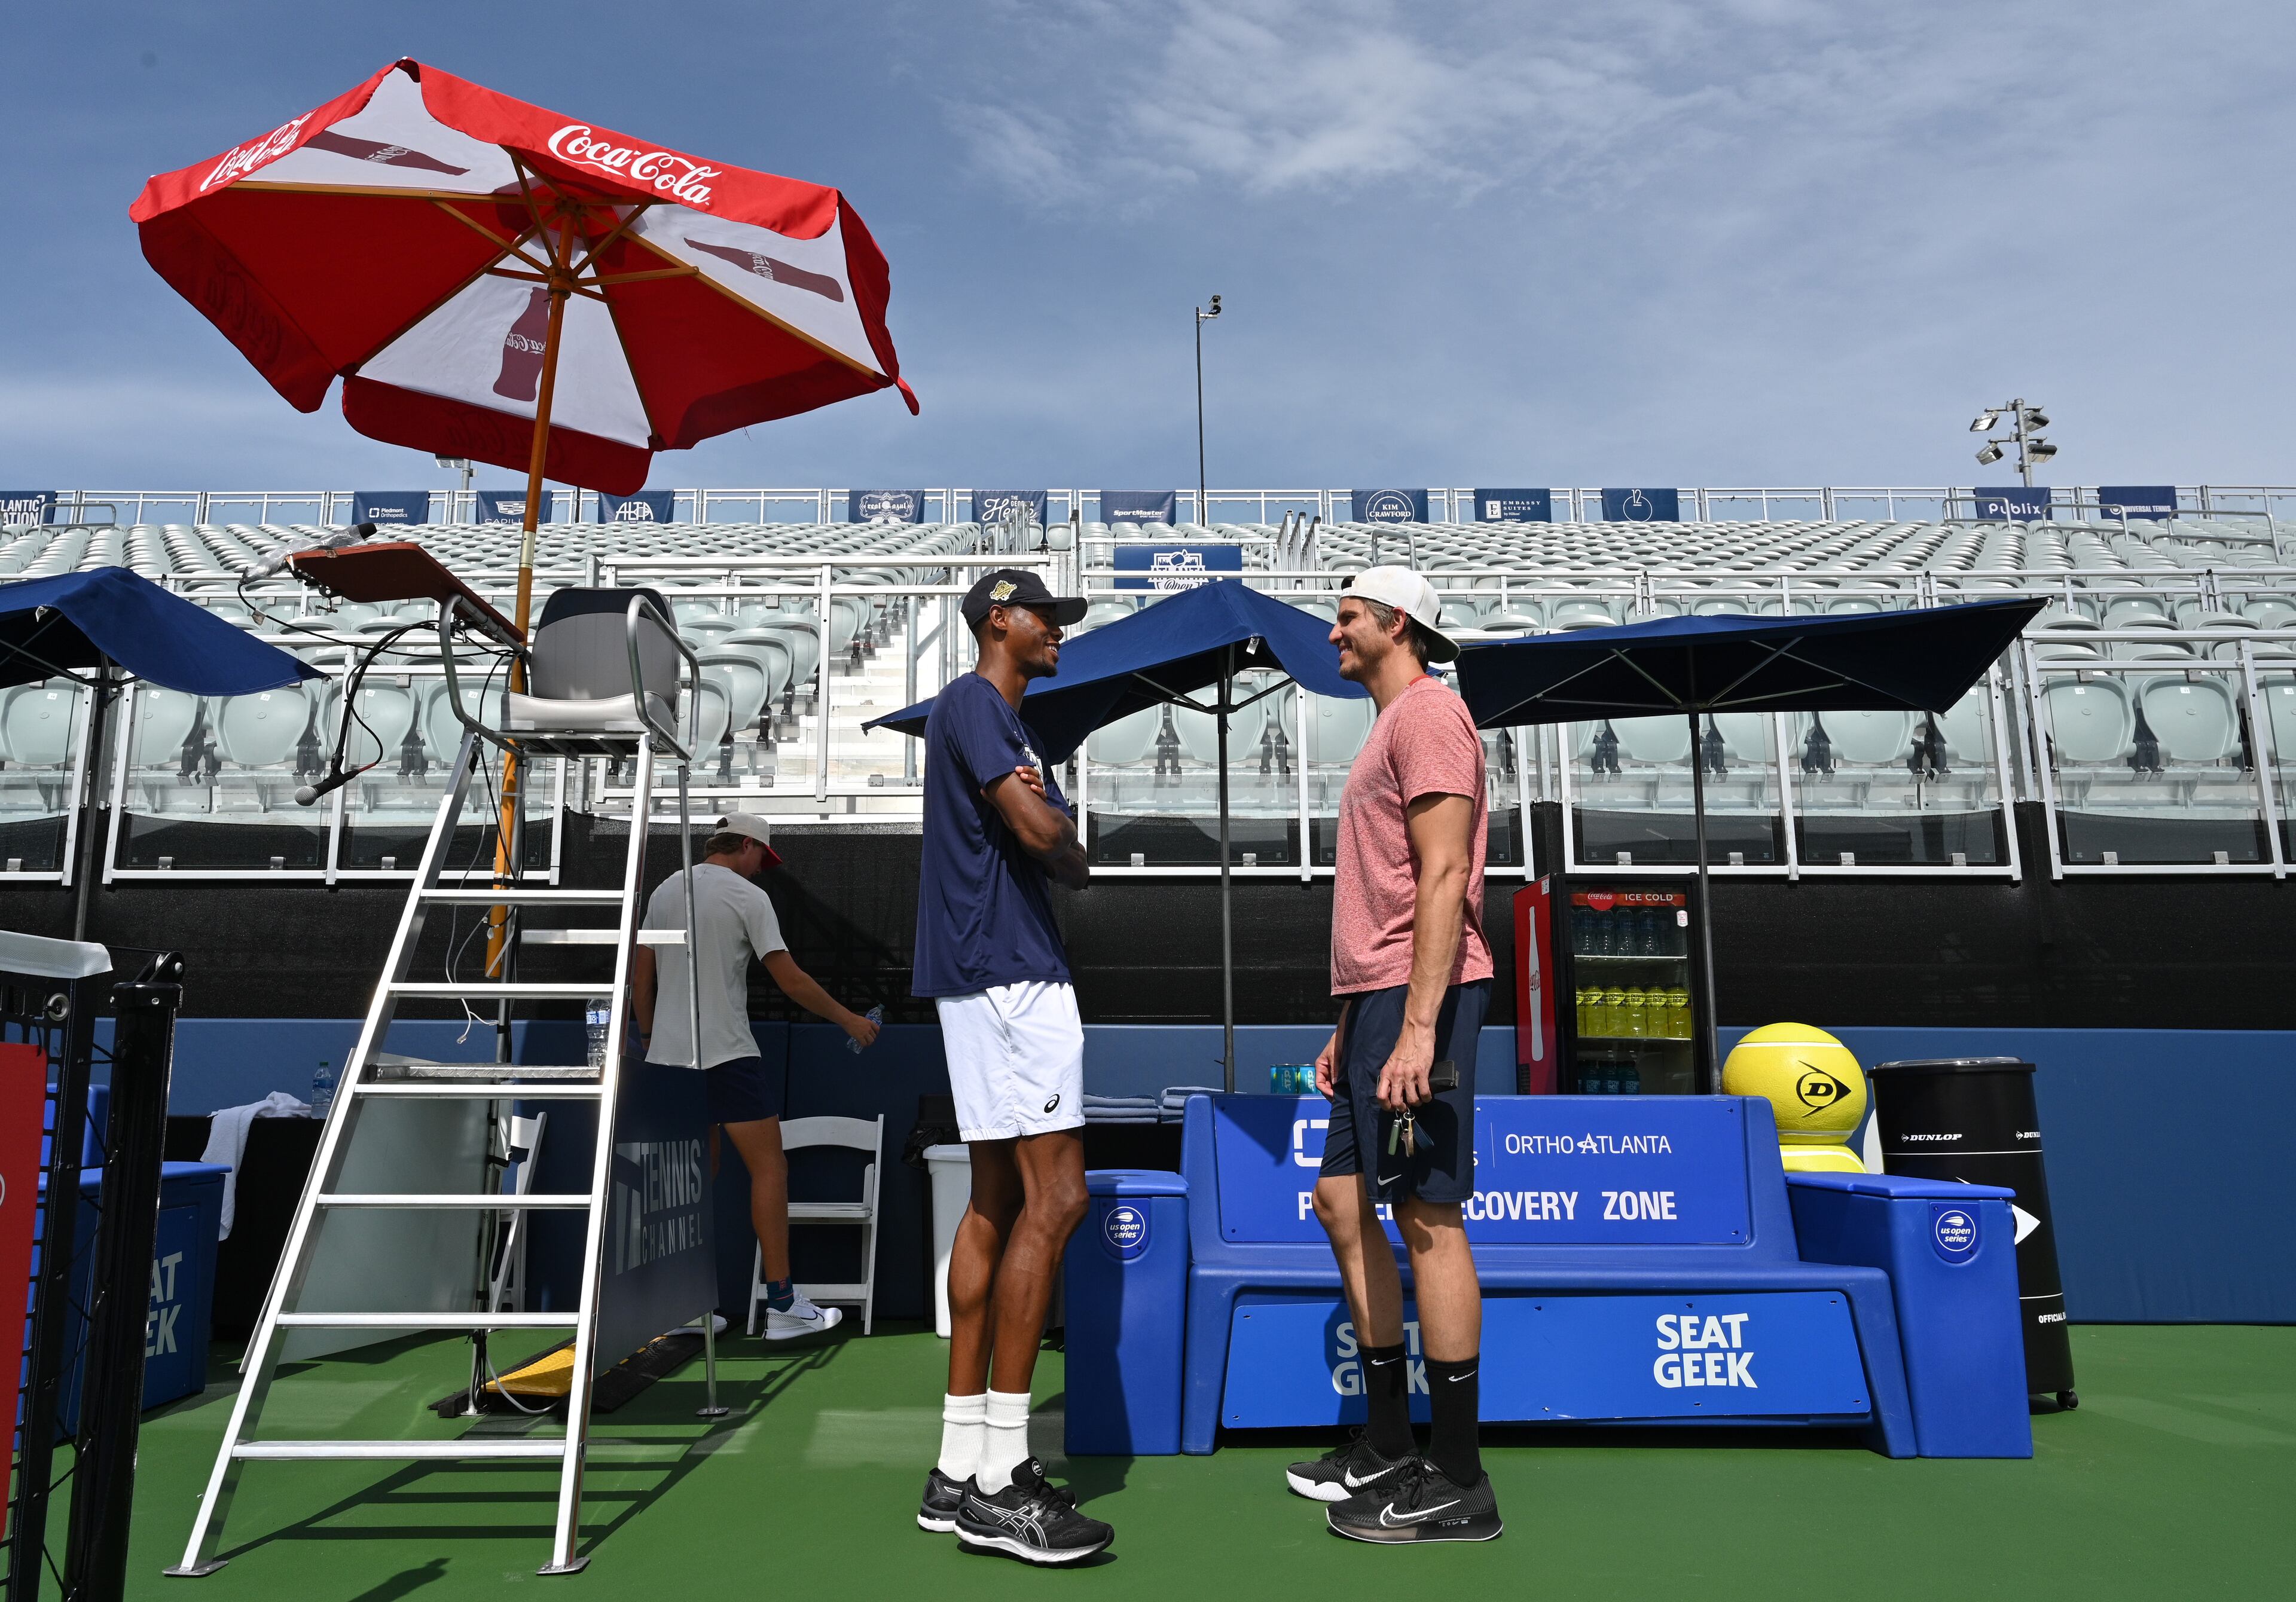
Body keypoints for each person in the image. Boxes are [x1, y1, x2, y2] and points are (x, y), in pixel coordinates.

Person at [1290, 567, 1502, 1544]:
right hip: (1372, 1002)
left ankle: (1458, 1475)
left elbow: (1447, 871)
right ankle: (1385, 1440)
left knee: (1427, 1213)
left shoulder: (1430, 715)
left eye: (1346, 617)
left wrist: (1417, 1026)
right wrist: (1348, 1033)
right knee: (1344, 1202)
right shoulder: (1387, 726)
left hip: (1425, 994)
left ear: (1397, 624)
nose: (1333, 632)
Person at [909, 568, 1112, 1566]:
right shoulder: (978, 704)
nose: (1059, 633)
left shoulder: (994, 719)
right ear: (1001, 620)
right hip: (1010, 974)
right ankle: (999, 1480)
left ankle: (960, 1467)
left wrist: (1055, 833)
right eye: (1047, 618)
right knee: (1059, 1196)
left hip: (987, 972)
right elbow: (1046, 838)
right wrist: (1066, 842)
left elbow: (1047, 836)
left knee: (995, 1202)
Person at [630, 812, 880, 1340]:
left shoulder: (665, 890)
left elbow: (642, 977)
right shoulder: (748, 898)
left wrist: (651, 1039)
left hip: (667, 1060)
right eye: (761, 858)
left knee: (688, 1184)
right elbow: (790, 980)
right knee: (771, 1170)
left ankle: (679, 1306)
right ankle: (784, 1305)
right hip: (727, 1056)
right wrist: (851, 1020)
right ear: (744, 845)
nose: (762, 870)